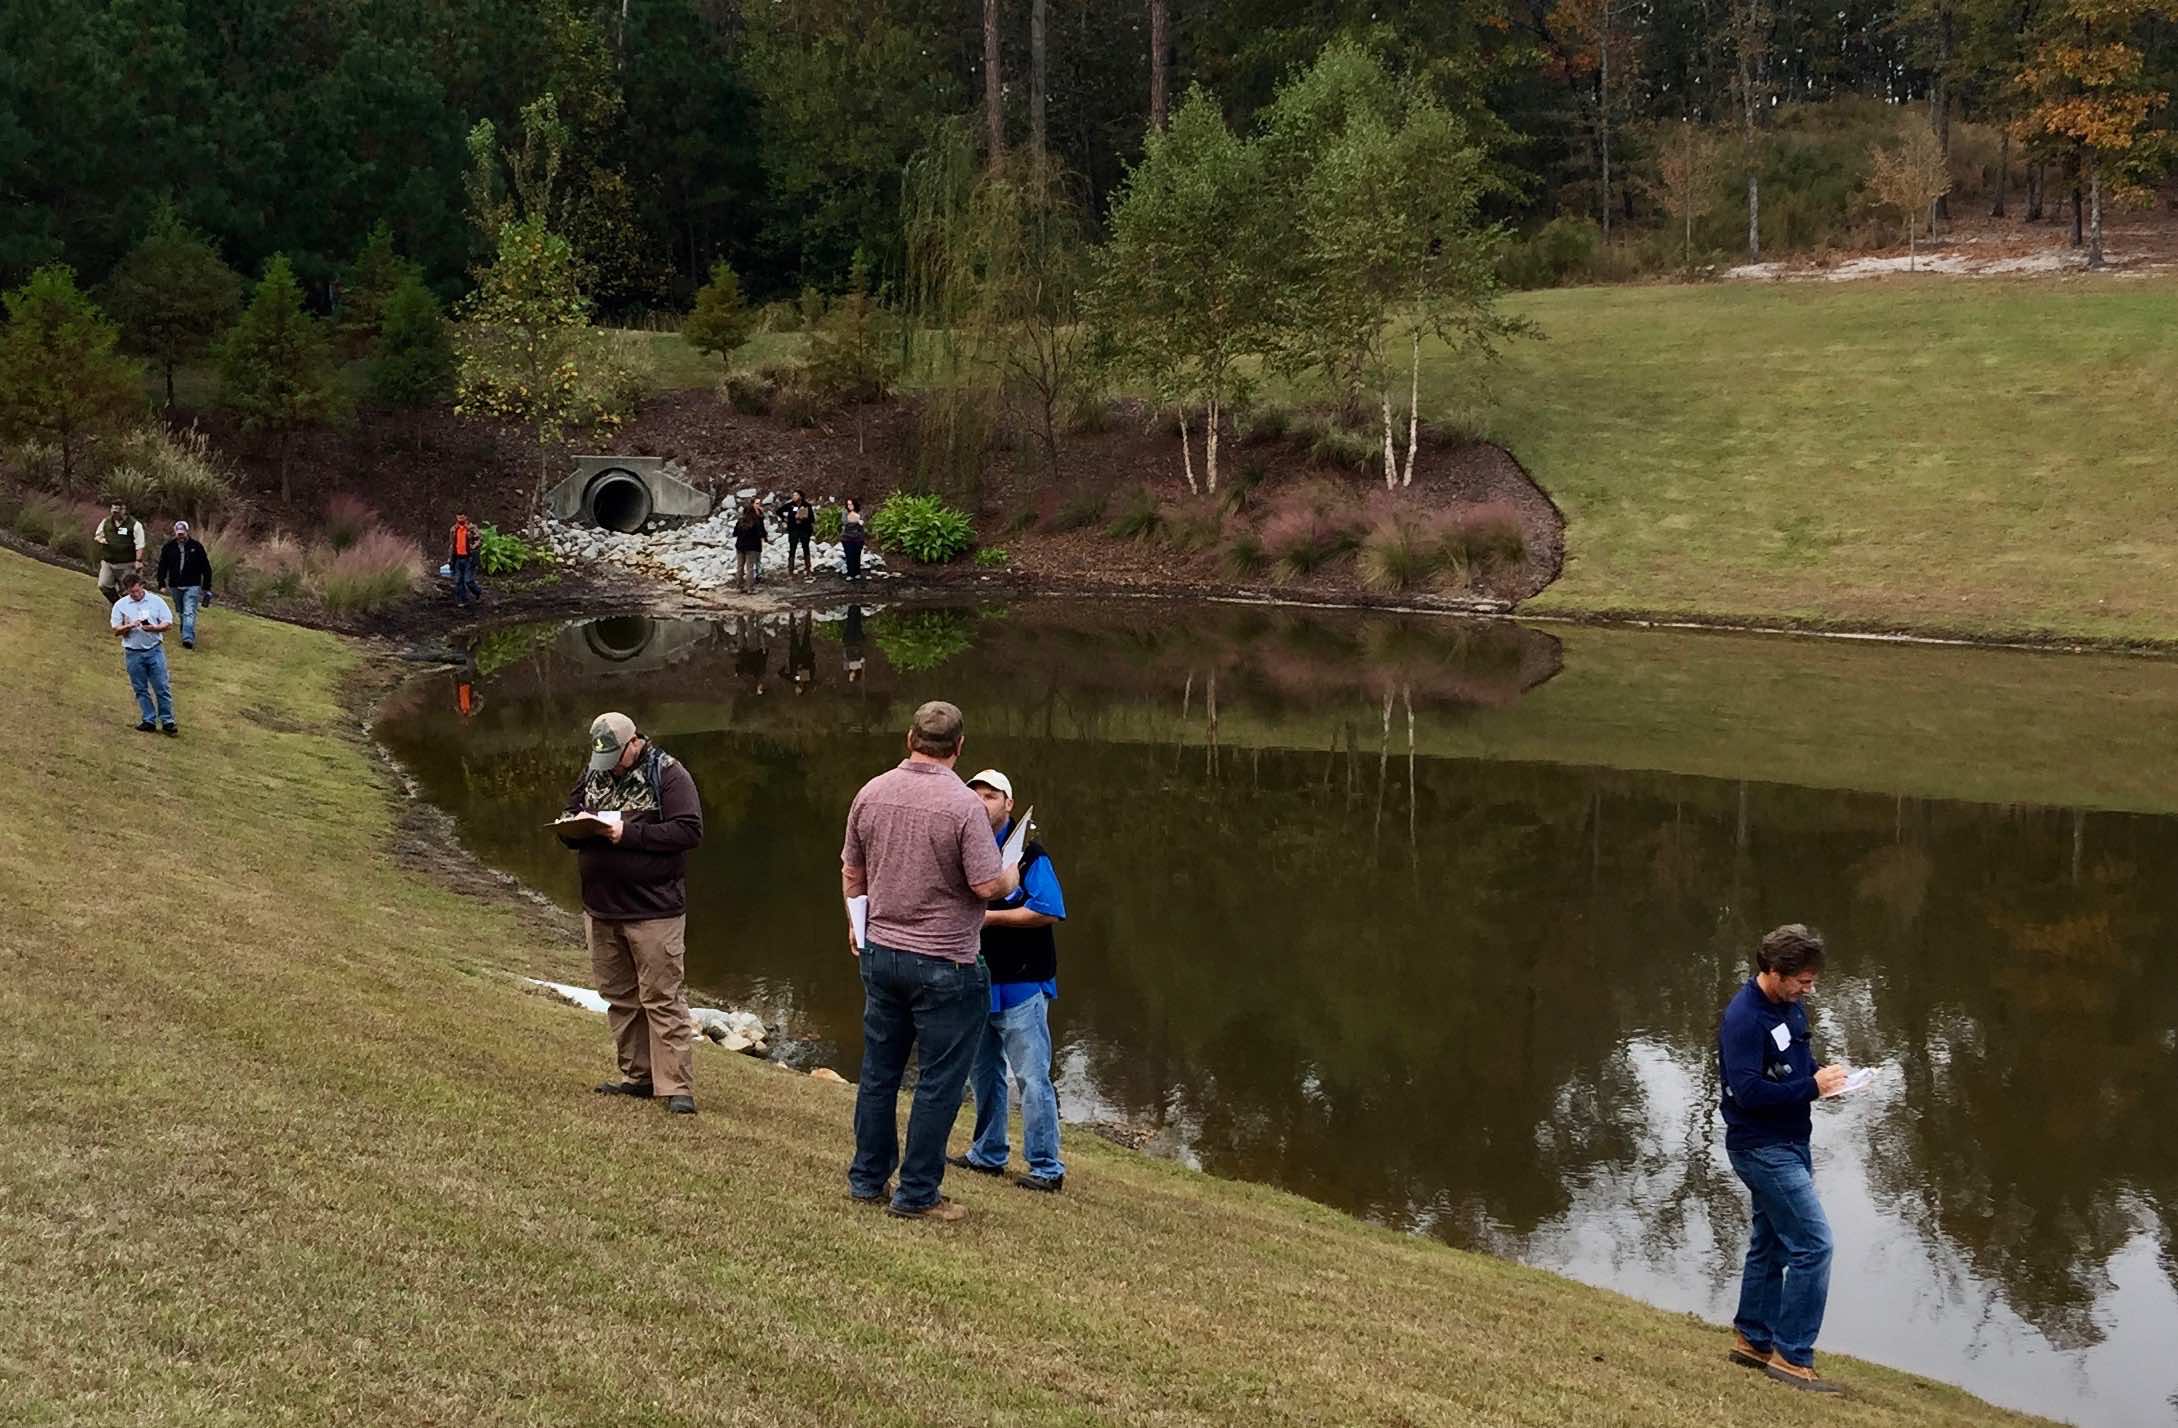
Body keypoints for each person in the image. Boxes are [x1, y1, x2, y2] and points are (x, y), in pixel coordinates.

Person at [840, 701, 1020, 1221]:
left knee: (879, 1073)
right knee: (939, 1080)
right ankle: (917, 1193)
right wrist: (1011, 874)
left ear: (909, 738)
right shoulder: (964, 806)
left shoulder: (870, 792)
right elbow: (987, 884)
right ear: (959, 747)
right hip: (946, 960)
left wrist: (858, 926)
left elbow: (852, 871)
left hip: (882, 953)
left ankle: (867, 1178)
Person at [1718, 923, 1851, 1394]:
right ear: (1774, 972)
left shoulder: (1790, 1008)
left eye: (1812, 980)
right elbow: (1749, 1092)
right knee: (1815, 1245)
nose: (1808, 988)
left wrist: (1825, 1079)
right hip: (1760, 1147)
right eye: (1802, 980)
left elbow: (1794, 1067)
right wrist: (1809, 1089)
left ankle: (1753, 1340)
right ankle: (1793, 1358)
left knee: (1771, 1242)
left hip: (1792, 1141)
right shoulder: (1743, 1019)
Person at [559, 712, 706, 1115]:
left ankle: (676, 1086)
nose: (610, 767)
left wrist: (629, 833)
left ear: (634, 743)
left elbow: (689, 831)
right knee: (620, 997)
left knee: (662, 997)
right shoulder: (594, 770)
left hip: (653, 910)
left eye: (617, 758)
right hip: (602, 906)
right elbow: (571, 810)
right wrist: (572, 828)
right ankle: (637, 1076)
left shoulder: (670, 774)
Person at [949, 770, 1068, 1192]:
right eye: (974, 795)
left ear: (1009, 805)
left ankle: (1046, 1168)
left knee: (1032, 1078)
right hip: (976, 983)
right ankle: (988, 1154)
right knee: (983, 1075)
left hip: (1024, 985)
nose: (981, 802)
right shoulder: (964, 852)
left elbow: (1049, 909)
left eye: (991, 795)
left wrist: (987, 918)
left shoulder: (1030, 857)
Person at [110, 570, 177, 736]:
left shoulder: (156, 601)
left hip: (154, 650)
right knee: (140, 688)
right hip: (133, 652)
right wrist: (129, 626)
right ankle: (149, 719)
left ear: (142, 586)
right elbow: (115, 629)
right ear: (126, 591)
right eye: (132, 592)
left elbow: (168, 624)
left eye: (138, 591)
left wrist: (154, 628)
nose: (136, 594)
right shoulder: (121, 605)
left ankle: (167, 721)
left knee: (161, 686)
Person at [155, 520, 213, 649]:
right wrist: (161, 583)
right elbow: (162, 567)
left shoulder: (197, 547)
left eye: (182, 533)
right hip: (175, 584)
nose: (180, 536)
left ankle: (187, 638)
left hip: (192, 584)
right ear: (175, 532)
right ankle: (185, 631)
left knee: (189, 611)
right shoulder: (168, 547)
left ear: (187, 532)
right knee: (181, 611)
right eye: (178, 533)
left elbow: (206, 567)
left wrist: (206, 587)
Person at [94, 500, 147, 605]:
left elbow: (140, 545)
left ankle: (136, 612)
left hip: (127, 564)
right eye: (112, 510)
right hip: (108, 562)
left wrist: (138, 561)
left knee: (128, 591)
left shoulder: (135, 525)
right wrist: (102, 540)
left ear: (124, 511)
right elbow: (98, 535)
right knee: (103, 585)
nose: (114, 513)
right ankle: (117, 605)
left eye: (117, 511)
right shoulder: (106, 522)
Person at [448, 512, 482, 607]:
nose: (460, 519)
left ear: (466, 517)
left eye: (462, 517)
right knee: (458, 581)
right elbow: (451, 544)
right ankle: (463, 600)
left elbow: (479, 540)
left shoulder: (471, 528)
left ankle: (477, 592)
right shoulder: (454, 529)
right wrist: (450, 558)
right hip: (457, 558)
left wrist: (473, 547)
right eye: (458, 517)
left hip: (469, 558)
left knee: (468, 580)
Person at [733, 501, 766, 594]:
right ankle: (750, 588)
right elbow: (761, 533)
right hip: (751, 547)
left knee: (739, 567)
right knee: (750, 568)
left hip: (740, 546)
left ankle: (739, 586)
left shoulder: (740, 521)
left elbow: (734, 533)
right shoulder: (756, 522)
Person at [784, 491, 816, 579]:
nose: (794, 497)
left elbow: (811, 518)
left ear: (800, 496)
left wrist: (803, 517)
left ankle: (808, 568)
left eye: (796, 495)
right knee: (792, 548)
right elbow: (781, 512)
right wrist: (786, 519)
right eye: (793, 495)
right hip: (793, 529)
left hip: (804, 529)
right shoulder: (791, 505)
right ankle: (790, 569)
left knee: (806, 548)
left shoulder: (806, 505)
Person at [840, 498, 866, 582]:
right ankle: (850, 573)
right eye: (848, 504)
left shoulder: (860, 512)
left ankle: (857, 572)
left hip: (858, 538)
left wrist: (856, 522)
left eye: (851, 504)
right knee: (849, 555)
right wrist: (856, 522)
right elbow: (845, 523)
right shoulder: (845, 512)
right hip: (847, 538)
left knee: (857, 555)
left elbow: (861, 524)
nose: (849, 506)